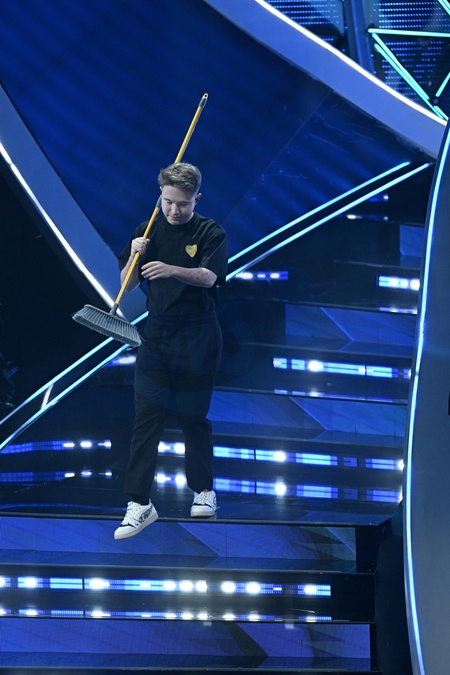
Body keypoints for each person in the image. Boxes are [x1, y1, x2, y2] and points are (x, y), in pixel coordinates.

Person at [114, 162, 228, 540]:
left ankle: (203, 491)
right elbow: (127, 285)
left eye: (182, 204)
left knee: (193, 418)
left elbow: (209, 277)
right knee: (146, 419)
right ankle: (139, 503)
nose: (174, 210)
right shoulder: (146, 231)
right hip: (157, 337)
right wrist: (135, 257)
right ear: (159, 196)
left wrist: (171, 268)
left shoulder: (210, 232)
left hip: (198, 337)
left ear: (197, 199)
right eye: (167, 202)